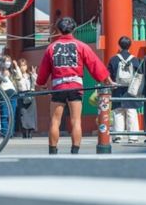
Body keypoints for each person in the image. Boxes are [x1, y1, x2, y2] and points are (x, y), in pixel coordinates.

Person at [36, 17, 113, 154]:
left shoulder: (51, 47)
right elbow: (94, 64)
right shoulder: (81, 46)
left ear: (58, 30)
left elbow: (43, 70)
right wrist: (106, 79)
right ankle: (75, 151)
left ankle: (52, 151)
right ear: (74, 29)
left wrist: (40, 83)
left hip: (58, 86)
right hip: (76, 86)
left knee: (55, 121)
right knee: (76, 120)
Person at [108, 36, 142, 144]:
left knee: (118, 112)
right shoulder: (135, 59)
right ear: (129, 46)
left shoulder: (113, 59)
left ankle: (117, 136)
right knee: (131, 111)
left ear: (119, 45)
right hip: (131, 89)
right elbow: (139, 74)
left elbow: (109, 73)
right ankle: (133, 137)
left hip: (117, 88)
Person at [13, 58, 37, 138]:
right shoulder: (17, 73)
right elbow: (19, 77)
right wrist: (16, 66)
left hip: (31, 96)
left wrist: (34, 73)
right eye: (21, 66)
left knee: (31, 115)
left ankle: (30, 132)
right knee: (23, 114)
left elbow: (35, 82)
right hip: (22, 96)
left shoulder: (30, 75)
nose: (23, 67)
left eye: (24, 65)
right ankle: (24, 132)